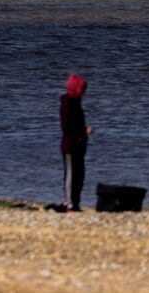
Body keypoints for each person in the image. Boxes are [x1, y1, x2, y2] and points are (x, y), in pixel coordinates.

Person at [60, 74, 93, 212]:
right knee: (71, 175)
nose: (83, 92)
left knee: (80, 175)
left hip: (79, 146)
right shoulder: (68, 104)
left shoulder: (77, 103)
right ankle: (69, 202)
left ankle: (76, 202)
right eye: (81, 89)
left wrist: (83, 133)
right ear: (75, 88)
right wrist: (83, 130)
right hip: (70, 146)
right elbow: (66, 127)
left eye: (84, 90)